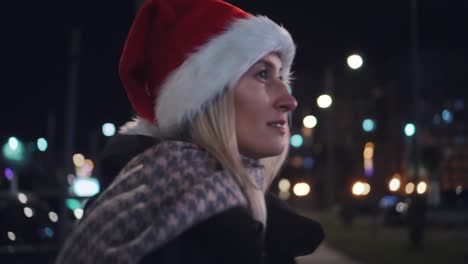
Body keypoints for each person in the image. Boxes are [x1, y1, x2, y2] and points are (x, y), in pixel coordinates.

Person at [56, 0, 323, 263]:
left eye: (281, 77)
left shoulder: (148, 205)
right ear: (206, 98)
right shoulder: (202, 233)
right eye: (262, 74)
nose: (289, 101)